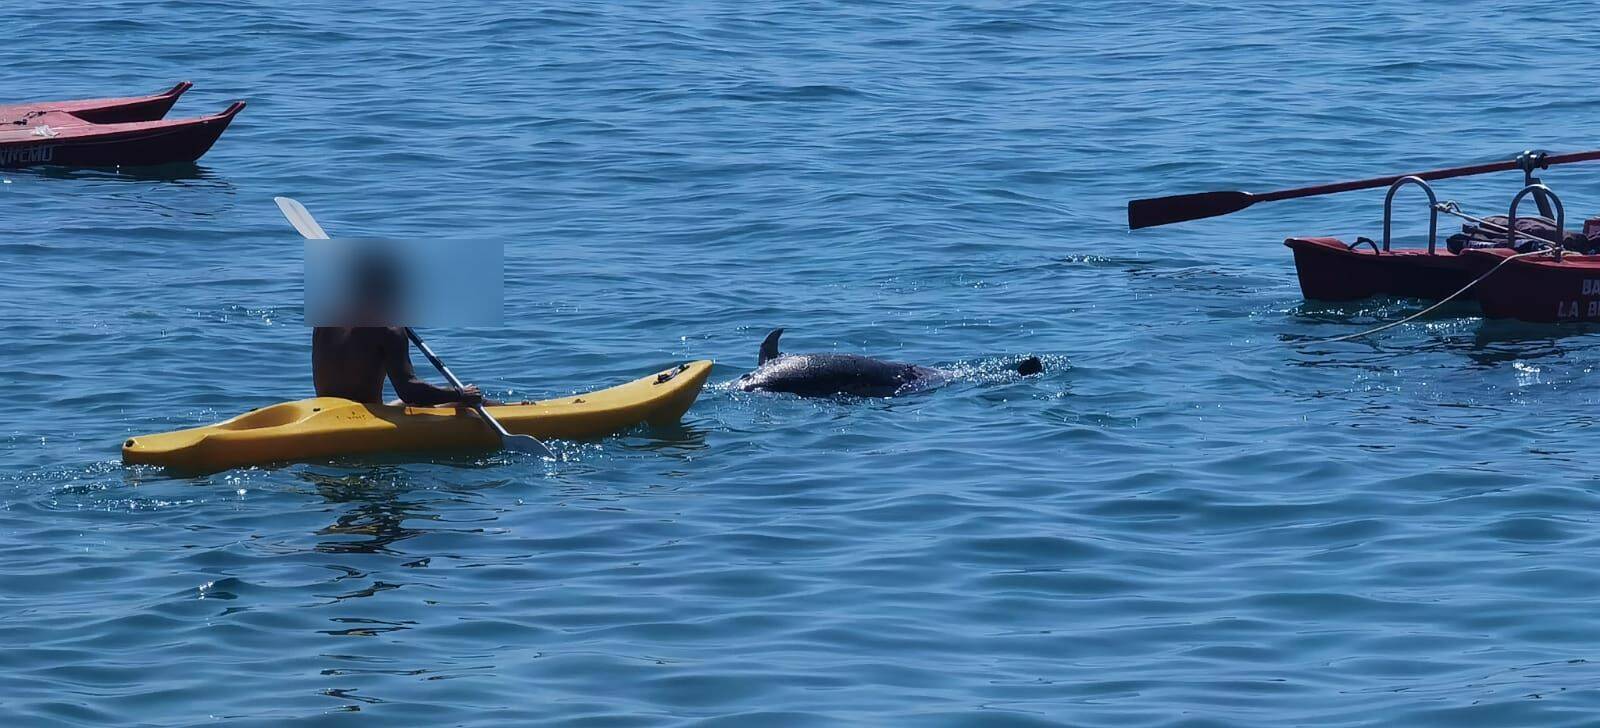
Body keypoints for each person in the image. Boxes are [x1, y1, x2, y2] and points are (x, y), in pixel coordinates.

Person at [313, 326, 485, 407]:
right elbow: (409, 392)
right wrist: (459, 393)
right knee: (468, 403)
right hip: (363, 418)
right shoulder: (388, 328)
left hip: (325, 410)